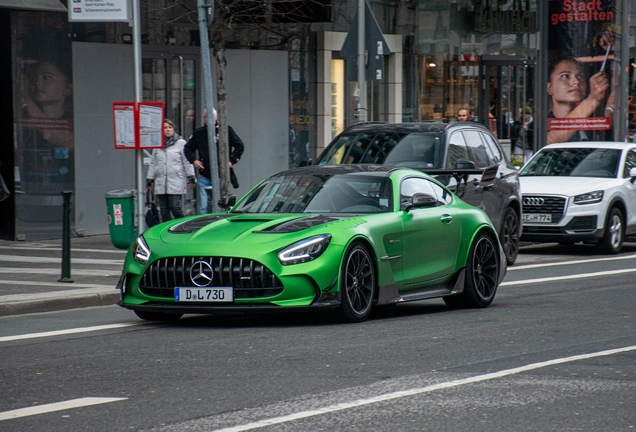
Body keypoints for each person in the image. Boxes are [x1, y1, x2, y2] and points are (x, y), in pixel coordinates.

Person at [184, 109, 245, 214]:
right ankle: (203, 224)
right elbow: (187, 148)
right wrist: (194, 161)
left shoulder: (225, 130)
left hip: (221, 175)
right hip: (205, 175)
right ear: (204, 119)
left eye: (212, 117)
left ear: (216, 117)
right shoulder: (199, 133)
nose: (209, 120)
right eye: (207, 117)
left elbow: (240, 145)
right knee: (204, 206)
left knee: (221, 204)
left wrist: (231, 161)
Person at [546, 55, 612, 144]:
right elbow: (549, 141)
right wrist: (592, 100)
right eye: (565, 76)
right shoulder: (540, 125)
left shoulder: (594, 124)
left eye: (580, 76)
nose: (576, 81)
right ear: (550, 88)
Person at [147, 119, 196, 222]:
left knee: (175, 206)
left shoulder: (181, 143)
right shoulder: (157, 144)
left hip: (176, 180)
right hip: (161, 181)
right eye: (165, 128)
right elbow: (153, 163)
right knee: (164, 210)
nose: (168, 130)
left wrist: (191, 178)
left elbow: (187, 162)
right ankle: (167, 230)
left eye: (170, 127)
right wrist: (149, 180)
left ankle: (182, 225)